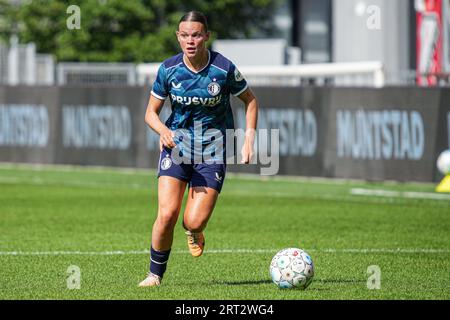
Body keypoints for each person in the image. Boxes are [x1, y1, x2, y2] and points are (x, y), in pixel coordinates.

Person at [139, 11, 259, 287]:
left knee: (192, 221)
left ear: (206, 36)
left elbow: (251, 101)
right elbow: (150, 114)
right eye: (184, 35)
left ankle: (195, 232)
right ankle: (154, 275)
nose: (190, 40)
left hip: (213, 150)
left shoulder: (223, 69)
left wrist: (249, 139)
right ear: (178, 37)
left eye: (196, 35)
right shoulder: (168, 70)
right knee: (167, 213)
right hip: (177, 147)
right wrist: (163, 130)